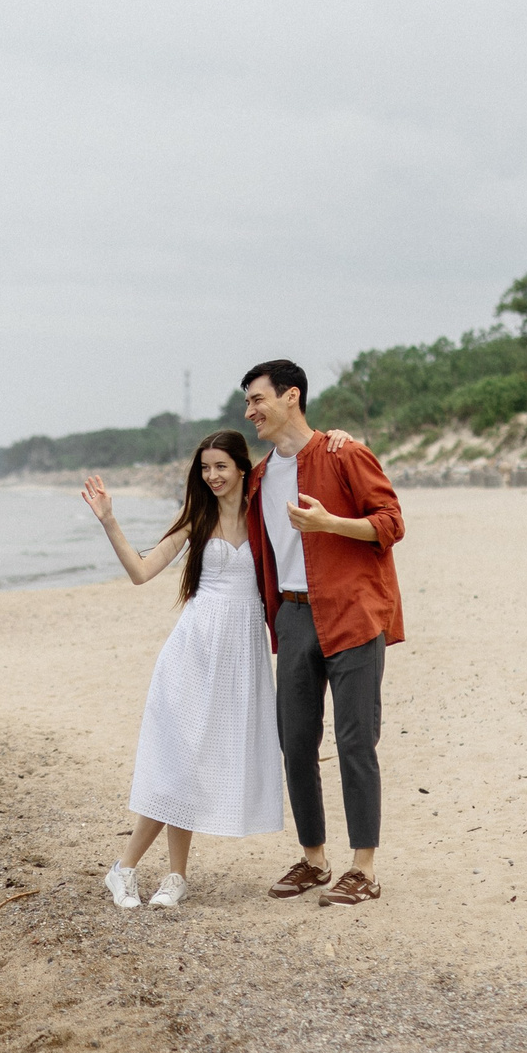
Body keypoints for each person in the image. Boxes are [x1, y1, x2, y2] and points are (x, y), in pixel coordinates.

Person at [78, 425, 356, 908]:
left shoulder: (263, 512)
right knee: (180, 759)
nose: (212, 477)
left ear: (242, 468)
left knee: (198, 761)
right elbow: (141, 573)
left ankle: (175, 877)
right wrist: (108, 520)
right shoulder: (196, 516)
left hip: (240, 655)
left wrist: (341, 437)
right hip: (193, 649)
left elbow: (302, 461)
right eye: (204, 469)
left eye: (220, 467)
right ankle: (124, 869)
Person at [238, 358, 406, 907]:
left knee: (357, 741)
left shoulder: (343, 453)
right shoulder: (259, 477)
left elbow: (391, 522)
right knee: (295, 743)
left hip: (352, 612)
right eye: (247, 402)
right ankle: (313, 859)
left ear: (291, 396)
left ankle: (365, 869)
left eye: (258, 399)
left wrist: (331, 523)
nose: (250, 411)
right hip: (292, 615)